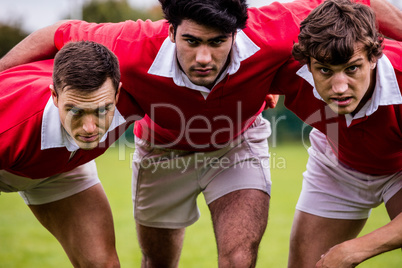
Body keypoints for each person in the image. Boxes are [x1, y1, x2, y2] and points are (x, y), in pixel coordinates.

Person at [0, 0, 401, 267]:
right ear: (171, 30)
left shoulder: (275, 29)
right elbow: (53, 35)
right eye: (191, 41)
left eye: (217, 42)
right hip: (162, 149)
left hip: (236, 145)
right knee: (157, 263)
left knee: (239, 258)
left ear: (239, 33)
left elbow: (358, 5)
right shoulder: (129, 43)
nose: (204, 58)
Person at [269, 0, 402, 267]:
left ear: (374, 57)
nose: (340, 87)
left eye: (352, 68)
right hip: (336, 161)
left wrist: (352, 251)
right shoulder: (284, 67)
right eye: (325, 71)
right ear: (307, 64)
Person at [0, 41, 142, 267]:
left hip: (64, 169)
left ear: (117, 96)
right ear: (54, 96)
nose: (89, 128)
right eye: (75, 111)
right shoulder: (8, 125)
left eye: (101, 110)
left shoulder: (136, 94)